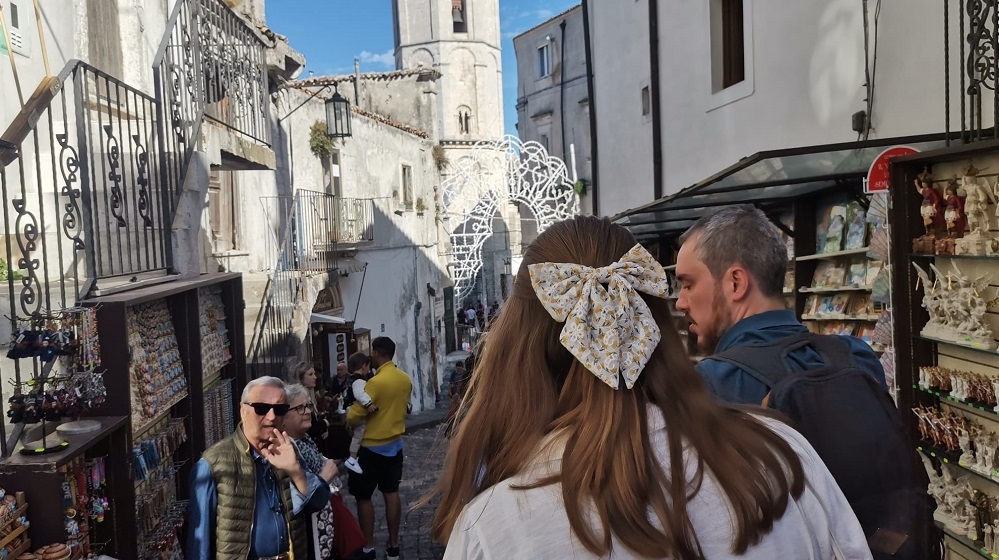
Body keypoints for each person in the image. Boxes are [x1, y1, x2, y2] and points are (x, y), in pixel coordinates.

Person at [429, 215, 871, 559]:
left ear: (519, 346)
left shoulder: (492, 527)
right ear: (651, 321)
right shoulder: (784, 456)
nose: (681, 299)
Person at [673, 206, 886, 404]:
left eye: (688, 285)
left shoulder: (713, 383)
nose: (680, 304)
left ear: (735, 283)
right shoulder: (857, 356)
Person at [187, 376, 332, 560]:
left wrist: (295, 470)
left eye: (279, 409)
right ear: (243, 411)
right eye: (261, 409)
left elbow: (317, 502)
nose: (271, 417)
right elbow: (199, 545)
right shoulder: (214, 464)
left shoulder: (287, 449)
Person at [346, 337, 413, 560]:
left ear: (376, 353)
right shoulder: (404, 379)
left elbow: (355, 416)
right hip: (394, 445)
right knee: (391, 493)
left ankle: (369, 545)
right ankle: (393, 545)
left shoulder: (374, 383)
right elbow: (406, 407)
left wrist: (346, 414)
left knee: (363, 497)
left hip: (370, 447)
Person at [284, 383, 339, 560]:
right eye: (299, 408)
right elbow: (304, 497)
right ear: (283, 418)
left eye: (307, 406)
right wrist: (325, 477)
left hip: (321, 531)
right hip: (306, 535)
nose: (307, 411)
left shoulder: (306, 439)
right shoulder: (287, 450)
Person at [344, 351, 377, 475]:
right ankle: (352, 459)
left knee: (355, 434)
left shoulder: (350, 378)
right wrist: (369, 404)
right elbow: (359, 394)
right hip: (354, 410)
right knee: (359, 434)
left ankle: (354, 456)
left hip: (348, 409)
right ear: (364, 366)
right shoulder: (358, 380)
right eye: (368, 366)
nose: (369, 369)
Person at [288, 359, 331, 453]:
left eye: (314, 374)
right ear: (301, 377)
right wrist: (324, 423)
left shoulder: (310, 395)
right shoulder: (298, 399)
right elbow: (306, 428)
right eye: (310, 374)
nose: (315, 377)